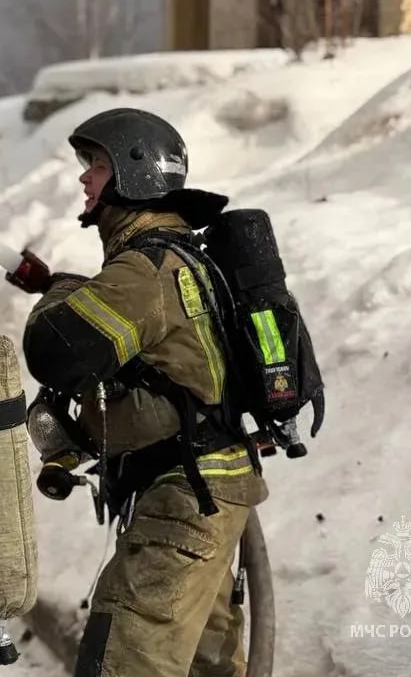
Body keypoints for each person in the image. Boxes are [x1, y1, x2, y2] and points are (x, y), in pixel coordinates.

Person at [21, 107, 268, 677]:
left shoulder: (145, 271)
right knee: (208, 669)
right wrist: (59, 283)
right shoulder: (176, 258)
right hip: (202, 497)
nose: (84, 177)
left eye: (97, 164)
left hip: (183, 504)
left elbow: (54, 349)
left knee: (121, 665)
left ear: (135, 171)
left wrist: (57, 292)